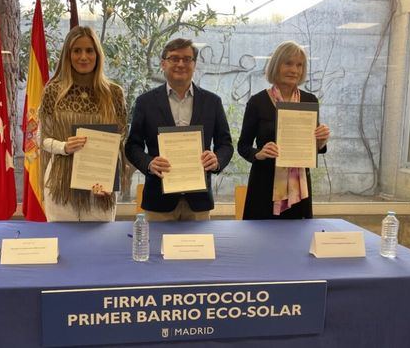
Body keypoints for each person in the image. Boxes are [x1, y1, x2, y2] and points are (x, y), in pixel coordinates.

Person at [126, 38, 233, 221]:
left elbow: (226, 145)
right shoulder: (145, 102)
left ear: (194, 64)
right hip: (158, 202)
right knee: (157, 250)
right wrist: (149, 163)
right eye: (174, 58)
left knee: (198, 250)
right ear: (163, 63)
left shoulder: (212, 102)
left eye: (187, 59)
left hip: (199, 203)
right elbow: (132, 146)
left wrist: (217, 160)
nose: (181, 64)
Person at [38, 26, 127, 221]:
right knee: (63, 244)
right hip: (60, 184)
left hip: (100, 186)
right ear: (67, 55)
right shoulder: (54, 91)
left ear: (98, 54)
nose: (83, 56)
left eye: (89, 50)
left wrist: (107, 180)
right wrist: (64, 147)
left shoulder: (114, 93)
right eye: (77, 50)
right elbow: (42, 137)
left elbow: (120, 138)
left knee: (99, 246)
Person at [237, 41, 330, 220]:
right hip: (264, 185)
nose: (294, 70)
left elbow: (312, 148)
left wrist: (321, 140)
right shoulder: (258, 101)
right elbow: (243, 146)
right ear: (276, 65)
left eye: (299, 65)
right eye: (288, 63)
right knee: (260, 242)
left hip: (299, 191)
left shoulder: (310, 101)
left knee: (298, 241)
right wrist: (259, 154)